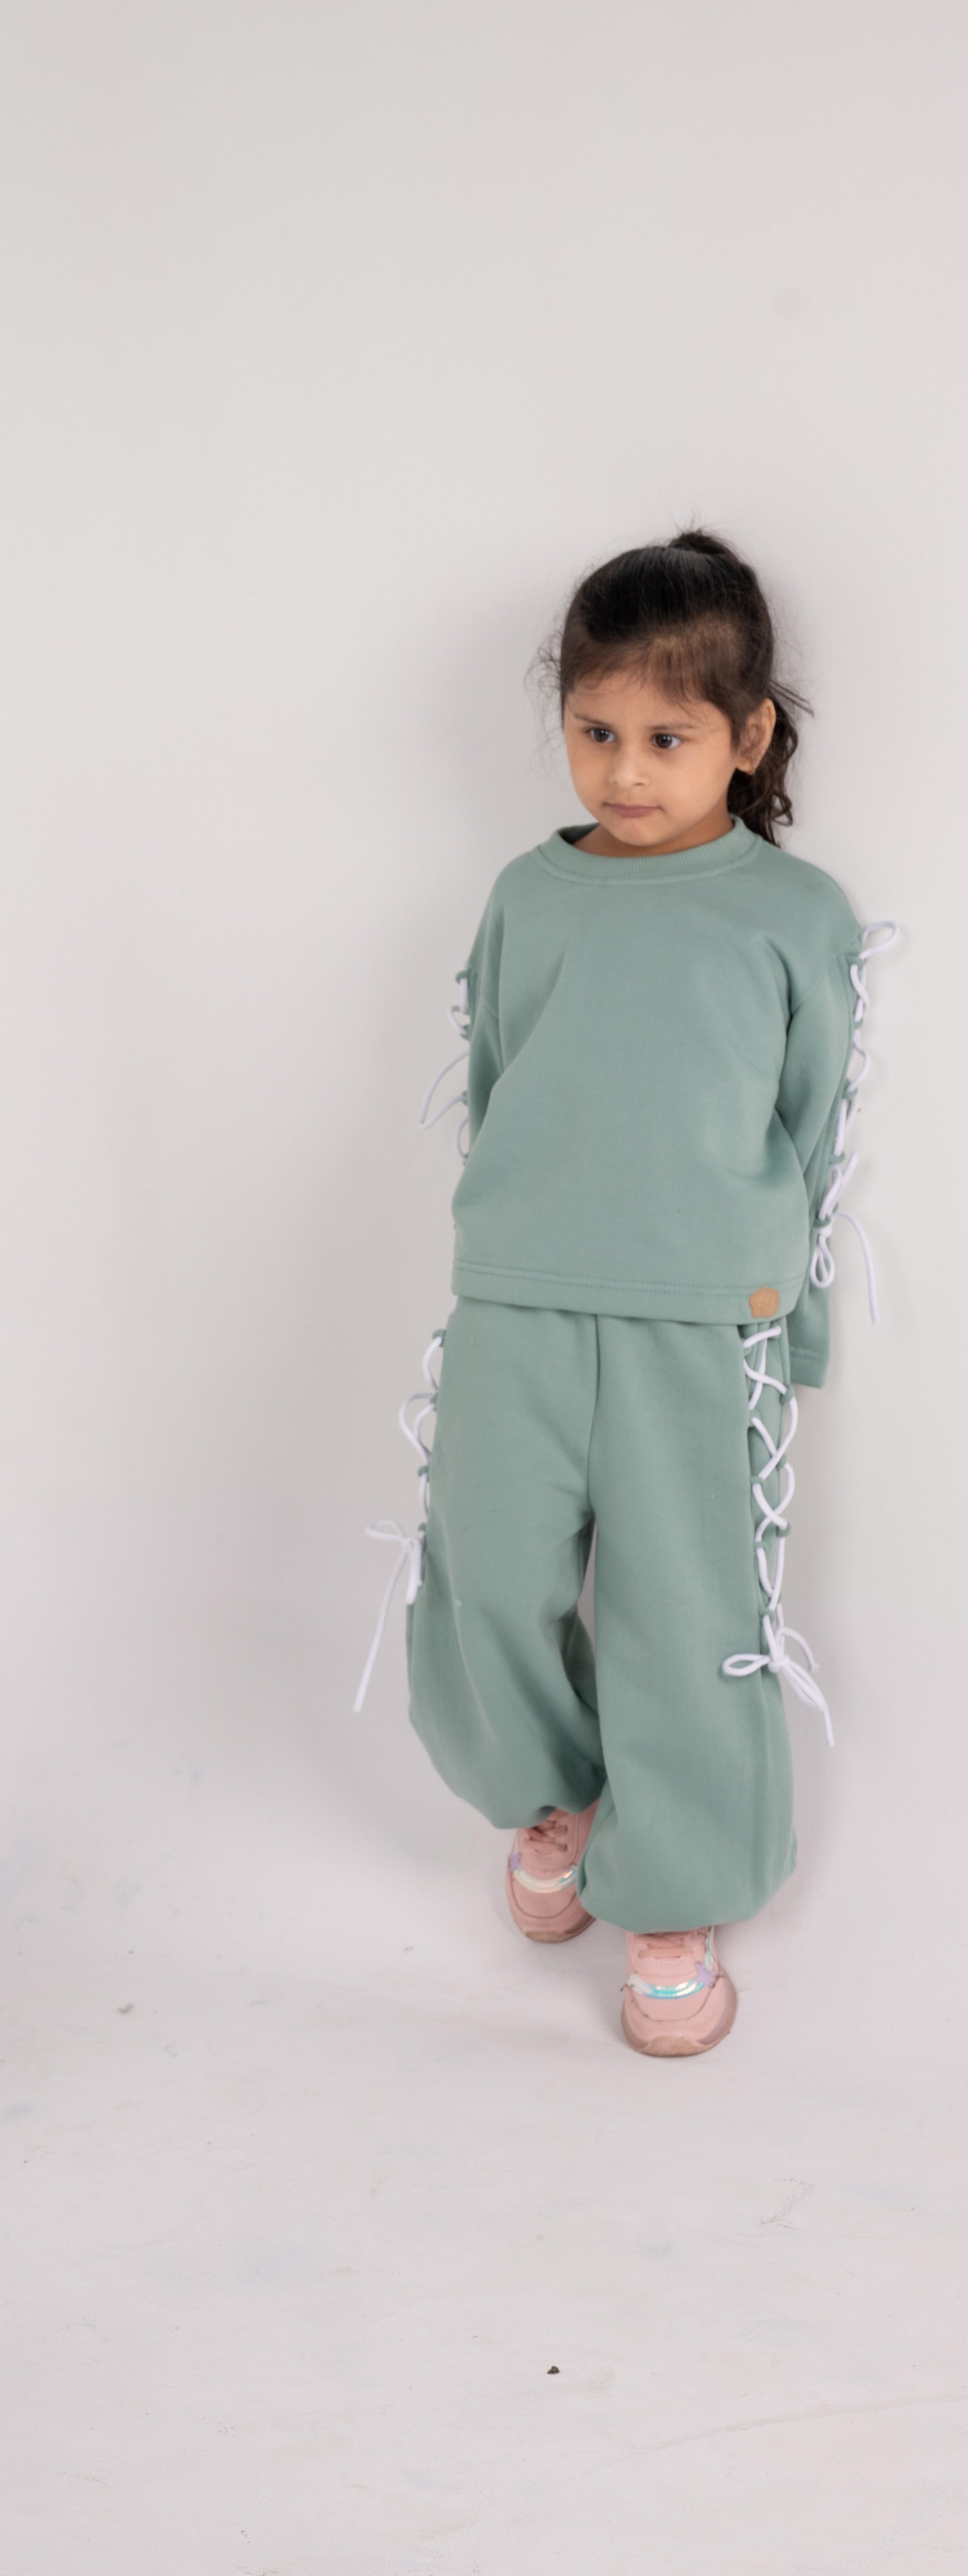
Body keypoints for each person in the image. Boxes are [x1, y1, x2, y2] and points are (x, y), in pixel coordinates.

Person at [387, 533, 891, 2057]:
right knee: (486, 1570)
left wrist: (785, 1320)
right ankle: (560, 1798)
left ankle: (674, 1894)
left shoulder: (794, 914)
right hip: (522, 1299)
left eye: (667, 739)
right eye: (596, 733)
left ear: (748, 737)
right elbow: (497, 1084)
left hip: (697, 1315)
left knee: (690, 1610)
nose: (625, 769)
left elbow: (811, 1135)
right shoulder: (527, 895)